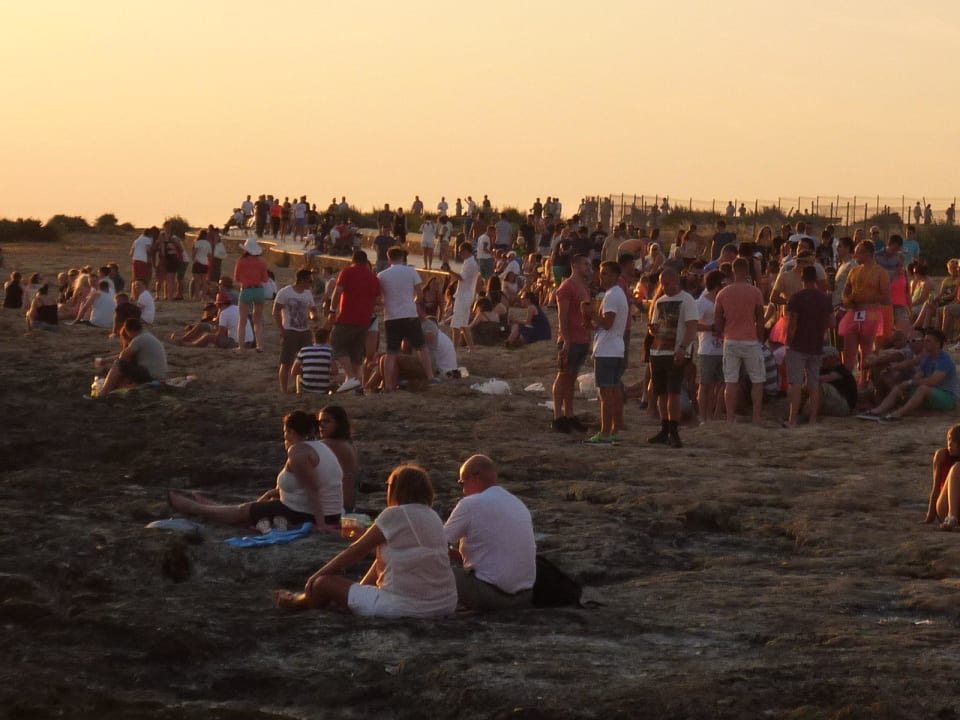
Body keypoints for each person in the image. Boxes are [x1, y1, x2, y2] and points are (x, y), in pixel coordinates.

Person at [274, 465, 457, 619]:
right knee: (382, 556)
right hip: (444, 604)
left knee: (323, 583)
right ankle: (358, 595)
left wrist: (315, 576)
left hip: (404, 606)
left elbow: (356, 551)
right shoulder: (433, 516)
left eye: (388, 485)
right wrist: (365, 538)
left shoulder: (395, 514)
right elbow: (401, 552)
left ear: (396, 489)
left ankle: (299, 601)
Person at [170, 411, 343, 532]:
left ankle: (194, 508)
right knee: (259, 504)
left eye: (285, 433)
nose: (284, 438)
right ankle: (214, 507)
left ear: (291, 432)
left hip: (306, 514)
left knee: (243, 511)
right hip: (326, 513)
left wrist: (321, 524)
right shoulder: (319, 446)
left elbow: (312, 489)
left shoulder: (298, 452)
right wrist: (273, 492)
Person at [444, 454, 536, 611]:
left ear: (474, 478)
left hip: (490, 596)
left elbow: (436, 543)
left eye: (462, 483)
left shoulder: (470, 504)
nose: (463, 491)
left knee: (435, 572)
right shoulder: (518, 504)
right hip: (525, 596)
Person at [858, 328, 958, 422]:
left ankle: (898, 414)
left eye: (928, 341)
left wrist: (909, 382)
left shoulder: (944, 360)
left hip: (947, 397)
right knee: (899, 387)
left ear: (937, 343)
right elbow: (918, 375)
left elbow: (932, 381)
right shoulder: (927, 358)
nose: (924, 343)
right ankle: (877, 411)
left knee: (922, 388)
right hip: (931, 394)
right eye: (924, 340)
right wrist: (905, 385)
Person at [647, 267, 699, 446]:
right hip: (658, 350)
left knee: (674, 392)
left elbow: (692, 327)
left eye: (668, 284)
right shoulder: (660, 301)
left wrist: (683, 347)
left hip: (676, 352)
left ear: (676, 281)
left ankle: (674, 431)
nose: (665, 287)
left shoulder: (687, 300)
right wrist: (652, 330)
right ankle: (665, 428)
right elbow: (655, 326)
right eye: (662, 284)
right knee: (660, 393)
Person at [714, 258, 766, 424]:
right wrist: (760, 338)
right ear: (747, 272)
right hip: (750, 339)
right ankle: (756, 417)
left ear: (733, 272)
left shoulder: (723, 293)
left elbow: (718, 320)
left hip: (730, 339)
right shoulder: (755, 292)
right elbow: (760, 318)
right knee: (757, 380)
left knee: (730, 381)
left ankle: (730, 417)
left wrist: (724, 331)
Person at [784, 265, 835, 427]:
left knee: (796, 384)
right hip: (816, 345)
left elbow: (793, 323)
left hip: (798, 345)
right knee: (813, 384)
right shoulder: (825, 298)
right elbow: (832, 323)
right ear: (816, 279)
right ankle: (813, 419)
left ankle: (792, 420)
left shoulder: (797, 297)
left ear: (802, 278)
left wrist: (788, 342)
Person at [584, 261, 628, 443]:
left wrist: (591, 313)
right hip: (616, 347)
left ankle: (605, 432)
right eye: (601, 273)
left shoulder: (611, 295)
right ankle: (615, 430)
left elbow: (608, 323)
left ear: (616, 276)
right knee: (615, 390)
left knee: (606, 392)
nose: (602, 277)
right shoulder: (618, 294)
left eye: (606, 273)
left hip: (607, 349)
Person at [378, 246, 433, 390]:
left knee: (391, 353)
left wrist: (388, 303)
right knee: (422, 347)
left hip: (391, 316)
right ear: (402, 257)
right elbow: (420, 295)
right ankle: (430, 377)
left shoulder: (382, 275)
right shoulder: (411, 271)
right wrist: (412, 301)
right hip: (409, 314)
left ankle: (388, 385)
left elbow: (380, 298)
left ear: (389, 258)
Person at [551, 254, 592, 433]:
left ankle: (569, 414)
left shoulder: (584, 287)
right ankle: (557, 416)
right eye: (585, 264)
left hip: (582, 338)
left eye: (589, 264)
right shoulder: (567, 287)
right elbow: (563, 315)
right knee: (563, 376)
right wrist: (566, 339)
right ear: (574, 265)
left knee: (572, 377)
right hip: (570, 339)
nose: (588, 267)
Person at [329, 251, 380, 393]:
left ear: (353, 260)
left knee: (337, 344)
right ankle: (355, 387)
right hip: (365, 320)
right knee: (355, 354)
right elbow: (377, 300)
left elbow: (337, 292)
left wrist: (332, 310)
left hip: (347, 317)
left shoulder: (347, 272)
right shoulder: (373, 278)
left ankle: (351, 377)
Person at [95, 318, 167, 398]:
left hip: (150, 375)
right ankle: (112, 392)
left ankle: (103, 393)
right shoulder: (147, 335)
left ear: (129, 331)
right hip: (158, 375)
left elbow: (122, 357)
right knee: (126, 369)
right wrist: (106, 360)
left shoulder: (139, 339)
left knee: (118, 364)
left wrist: (106, 361)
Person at [273, 269, 318, 394]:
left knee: (306, 362)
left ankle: (299, 389)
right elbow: (276, 311)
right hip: (290, 330)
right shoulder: (285, 292)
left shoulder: (307, 294)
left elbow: (312, 309)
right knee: (286, 362)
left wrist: (313, 316)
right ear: (303, 280)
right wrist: (282, 329)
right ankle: (284, 390)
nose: (311, 283)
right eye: (309, 281)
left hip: (305, 331)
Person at [317, 405, 358, 513]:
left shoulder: (327, 445)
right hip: (349, 504)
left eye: (326, 421)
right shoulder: (350, 443)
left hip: (335, 506)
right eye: (320, 422)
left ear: (338, 424)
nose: (321, 425)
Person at [234, 237, 269, 352]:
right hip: (259, 290)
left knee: (243, 320)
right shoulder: (261, 262)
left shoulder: (241, 261)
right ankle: (260, 345)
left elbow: (236, 278)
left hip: (246, 290)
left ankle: (241, 346)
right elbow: (265, 279)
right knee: (257, 320)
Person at [925, 424, 960, 529]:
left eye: (954, 441)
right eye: (949, 439)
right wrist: (930, 516)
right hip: (945, 507)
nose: (949, 444)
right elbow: (935, 488)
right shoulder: (942, 456)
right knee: (957, 468)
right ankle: (951, 516)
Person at [448, 242, 481, 352]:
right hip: (466, 295)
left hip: (464, 296)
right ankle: (471, 348)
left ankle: (453, 349)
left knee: (456, 324)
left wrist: (449, 271)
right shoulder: (470, 262)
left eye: (460, 251)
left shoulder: (470, 264)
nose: (459, 254)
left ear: (466, 251)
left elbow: (461, 277)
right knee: (463, 324)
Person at [292, 326, 336, 394]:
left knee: (298, 375)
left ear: (314, 338)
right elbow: (335, 371)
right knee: (335, 381)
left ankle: (299, 392)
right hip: (323, 389)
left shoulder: (303, 350)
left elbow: (294, 371)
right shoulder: (330, 351)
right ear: (328, 339)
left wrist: (306, 370)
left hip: (307, 388)